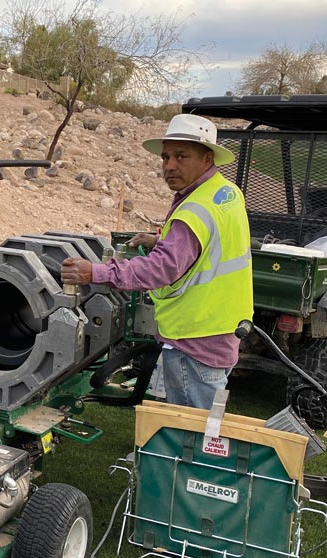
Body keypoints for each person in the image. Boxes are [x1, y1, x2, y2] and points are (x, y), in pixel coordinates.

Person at [62, 113, 253, 410]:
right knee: (204, 425)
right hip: (222, 329)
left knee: (190, 434)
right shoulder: (225, 193)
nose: (170, 166)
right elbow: (207, 244)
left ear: (206, 158)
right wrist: (161, 240)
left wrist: (95, 272)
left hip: (195, 337)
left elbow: (160, 269)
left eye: (181, 156)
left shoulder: (195, 210)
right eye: (165, 157)